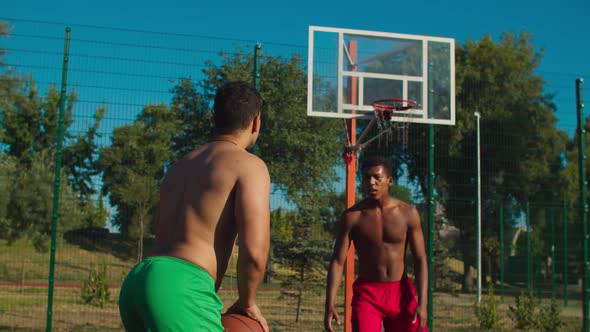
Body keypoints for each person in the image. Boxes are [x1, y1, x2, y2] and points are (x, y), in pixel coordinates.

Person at [118, 81, 271, 332]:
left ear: (215, 118)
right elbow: (254, 252)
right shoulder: (249, 165)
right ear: (256, 122)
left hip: (139, 281)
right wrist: (247, 302)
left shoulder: (179, 165)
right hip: (180, 288)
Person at [324, 156, 428, 332]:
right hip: (367, 294)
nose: (371, 182)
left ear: (389, 181)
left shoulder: (408, 214)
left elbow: (420, 259)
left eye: (376, 177)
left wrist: (423, 304)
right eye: (366, 178)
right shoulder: (352, 217)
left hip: (401, 293)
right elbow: (338, 261)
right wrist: (329, 303)